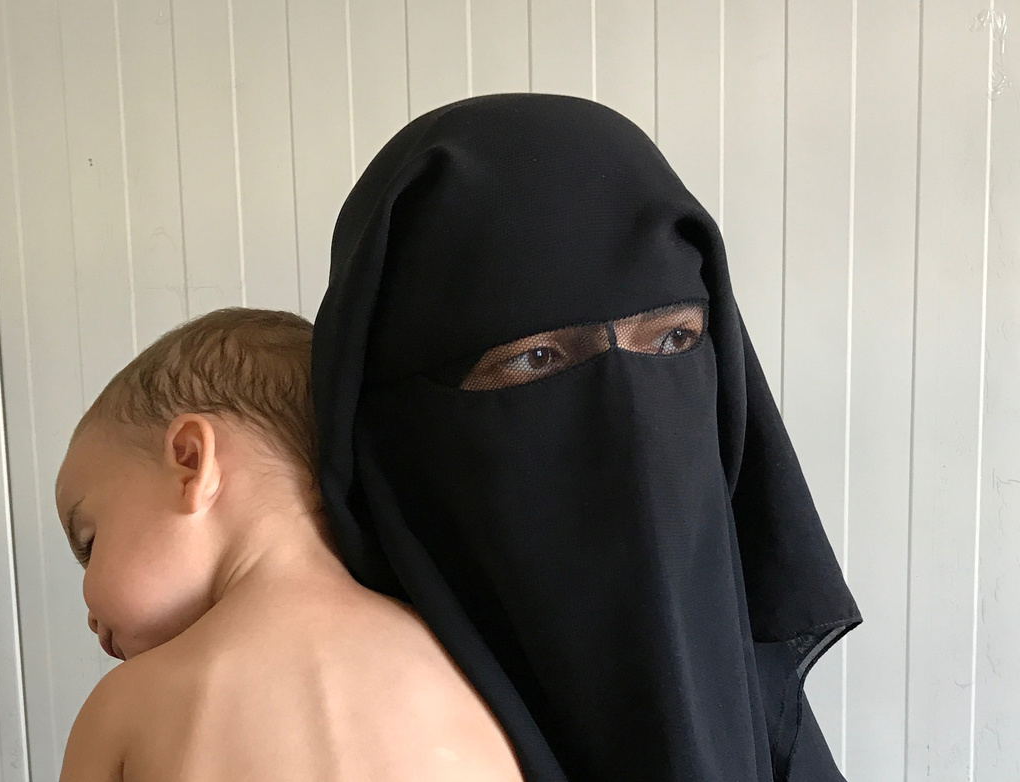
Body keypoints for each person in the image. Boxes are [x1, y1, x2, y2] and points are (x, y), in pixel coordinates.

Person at [311, 93, 862, 781]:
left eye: (672, 340)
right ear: (389, 414)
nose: (633, 440)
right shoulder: (321, 732)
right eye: (535, 358)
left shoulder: (753, 702)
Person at [54, 308, 524, 781]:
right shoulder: (463, 663)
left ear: (190, 463)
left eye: (90, 543)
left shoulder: (126, 706)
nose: (90, 612)